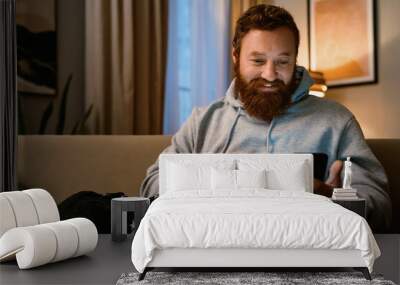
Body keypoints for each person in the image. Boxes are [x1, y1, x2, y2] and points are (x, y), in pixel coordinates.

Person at [140, 4, 391, 232]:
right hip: (216, 248)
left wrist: (336, 198)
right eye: (258, 60)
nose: (270, 75)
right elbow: (152, 184)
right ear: (236, 57)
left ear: (295, 60)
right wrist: (208, 187)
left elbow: (379, 204)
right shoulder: (202, 122)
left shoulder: (337, 121)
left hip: (308, 252)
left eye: (283, 61)